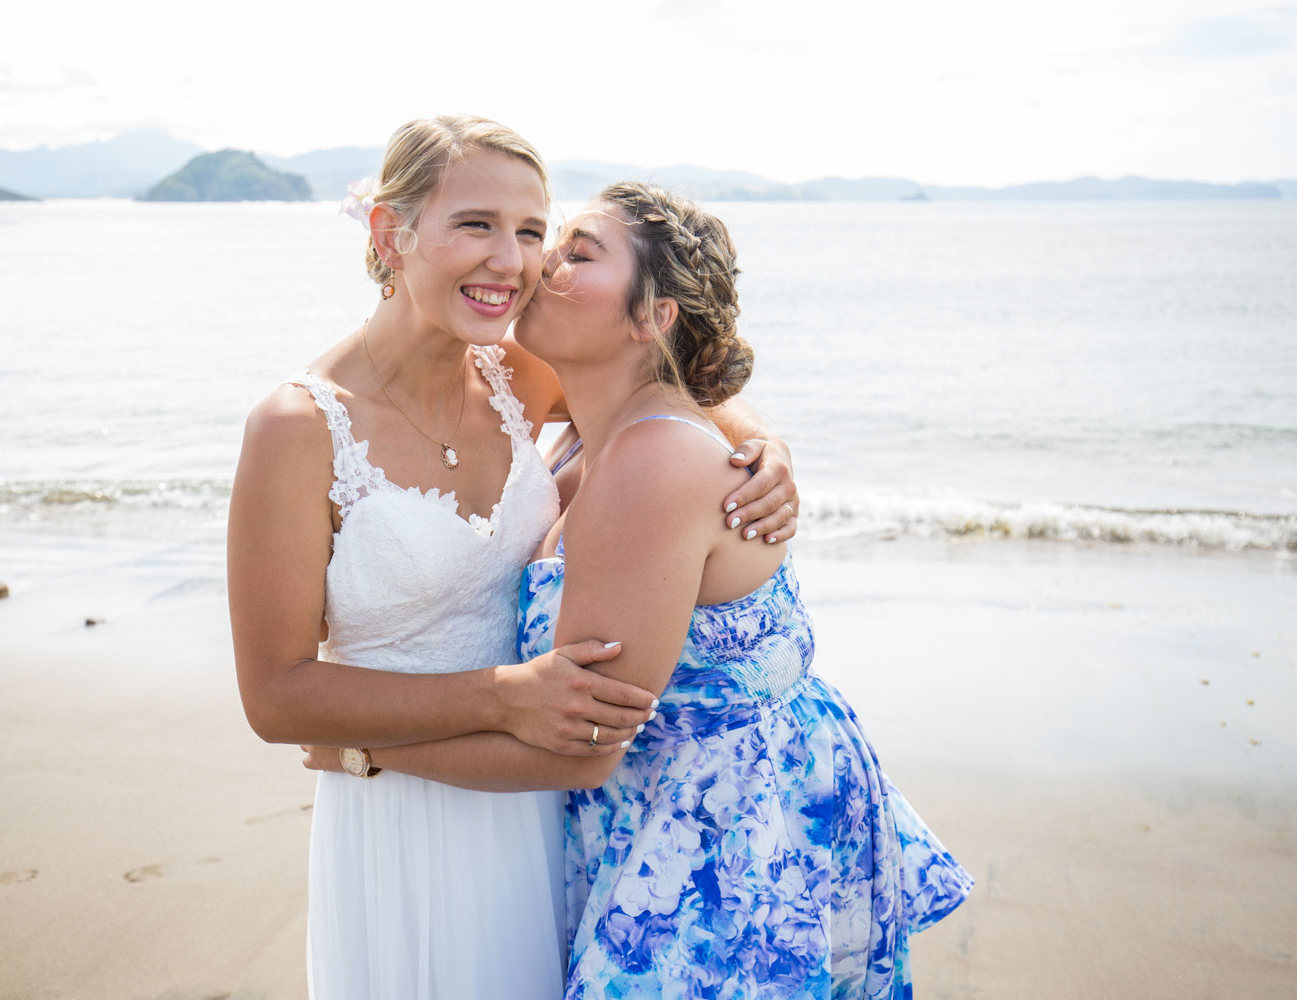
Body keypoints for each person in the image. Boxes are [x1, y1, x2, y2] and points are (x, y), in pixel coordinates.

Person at [306, 182, 972, 998]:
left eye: (576, 252)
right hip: (669, 818)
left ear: (652, 316)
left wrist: (367, 753)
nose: (538, 262)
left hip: (708, 850)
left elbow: (583, 751)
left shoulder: (649, 463)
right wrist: (769, 439)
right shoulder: (595, 429)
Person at [227, 117, 800, 1000]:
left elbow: (668, 379)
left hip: (536, 803)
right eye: (476, 225)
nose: (512, 260)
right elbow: (275, 697)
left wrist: (768, 446)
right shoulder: (298, 428)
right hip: (394, 809)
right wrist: (499, 698)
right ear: (392, 233)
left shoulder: (514, 377)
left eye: (533, 232)